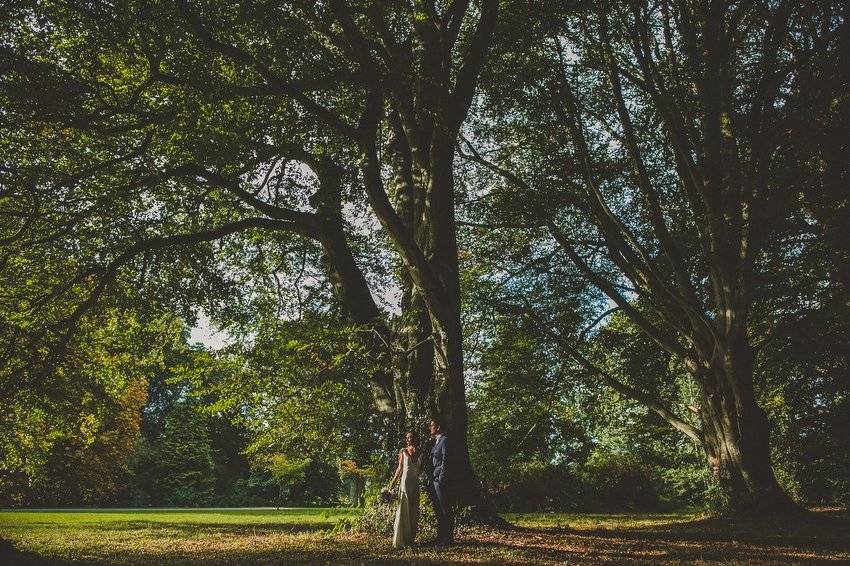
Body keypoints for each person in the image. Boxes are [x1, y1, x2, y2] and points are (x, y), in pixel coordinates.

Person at [388, 431, 422, 549]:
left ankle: (410, 539)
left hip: (415, 484)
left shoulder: (421, 451)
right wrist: (391, 485)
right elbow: (399, 469)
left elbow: (422, 469)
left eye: (411, 437)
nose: (409, 440)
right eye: (407, 438)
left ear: (416, 439)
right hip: (405, 484)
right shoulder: (403, 451)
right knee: (404, 510)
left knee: (413, 511)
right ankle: (401, 540)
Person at [426, 418, 454, 546]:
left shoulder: (445, 440)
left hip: (440, 481)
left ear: (438, 427)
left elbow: (446, 461)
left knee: (445, 510)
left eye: (431, 425)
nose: (430, 428)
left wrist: (441, 478)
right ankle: (440, 537)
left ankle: (448, 539)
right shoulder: (435, 442)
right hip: (433, 481)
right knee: (438, 510)